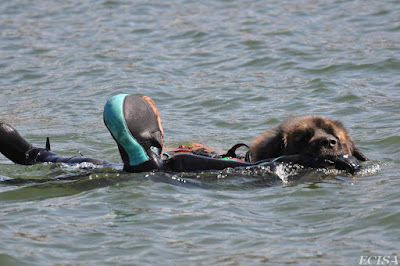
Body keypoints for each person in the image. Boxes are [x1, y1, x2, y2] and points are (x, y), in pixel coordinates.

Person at [0, 94, 361, 173]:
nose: (324, 140)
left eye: (332, 138)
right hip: (234, 172)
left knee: (110, 171)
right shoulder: (270, 163)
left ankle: (33, 156)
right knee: (240, 173)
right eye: (306, 137)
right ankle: (148, 159)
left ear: (349, 148)